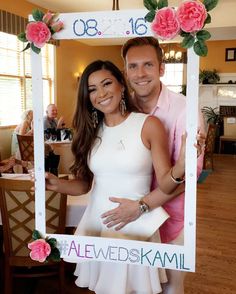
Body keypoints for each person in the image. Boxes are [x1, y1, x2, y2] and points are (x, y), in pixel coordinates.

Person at [45, 60, 188, 294]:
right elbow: (84, 185)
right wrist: (55, 184)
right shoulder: (90, 132)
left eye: (106, 83)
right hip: (98, 225)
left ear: (121, 84)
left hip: (134, 225)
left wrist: (181, 165)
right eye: (92, 89)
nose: (101, 93)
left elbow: (165, 183)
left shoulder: (148, 125)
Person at [101, 37, 205, 294]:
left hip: (171, 220)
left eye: (148, 65)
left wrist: (141, 207)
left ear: (161, 69)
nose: (140, 73)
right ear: (125, 71)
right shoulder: (119, 109)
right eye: (133, 66)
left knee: (170, 289)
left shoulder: (186, 111)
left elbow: (190, 176)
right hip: (125, 219)